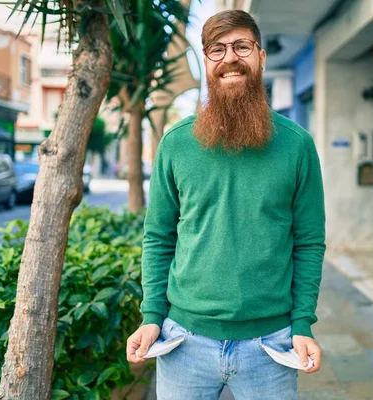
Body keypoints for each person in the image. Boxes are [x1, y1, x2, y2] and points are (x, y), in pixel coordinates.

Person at [126, 9, 326, 400]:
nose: (230, 58)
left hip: (272, 347)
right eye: (217, 49)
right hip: (184, 343)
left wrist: (302, 323)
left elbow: (309, 241)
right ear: (206, 61)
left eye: (241, 46)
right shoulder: (176, 144)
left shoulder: (297, 145)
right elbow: (158, 237)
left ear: (261, 57)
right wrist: (152, 317)